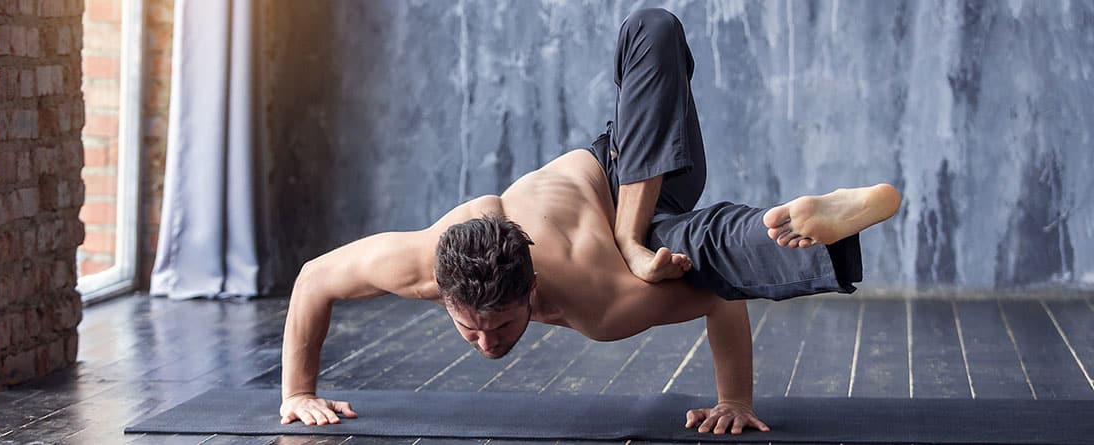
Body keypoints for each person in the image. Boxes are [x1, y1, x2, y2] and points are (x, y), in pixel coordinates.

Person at [277, 8, 901, 436]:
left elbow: (720, 303)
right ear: (443, 296)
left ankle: (633, 234)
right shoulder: (430, 260)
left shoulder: (601, 306)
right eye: (471, 331)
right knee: (704, 241)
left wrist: (735, 401)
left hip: (635, 167)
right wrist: (297, 393)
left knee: (651, 29)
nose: (488, 344)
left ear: (530, 291)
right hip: (647, 220)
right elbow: (314, 278)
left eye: (498, 326)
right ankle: (801, 221)